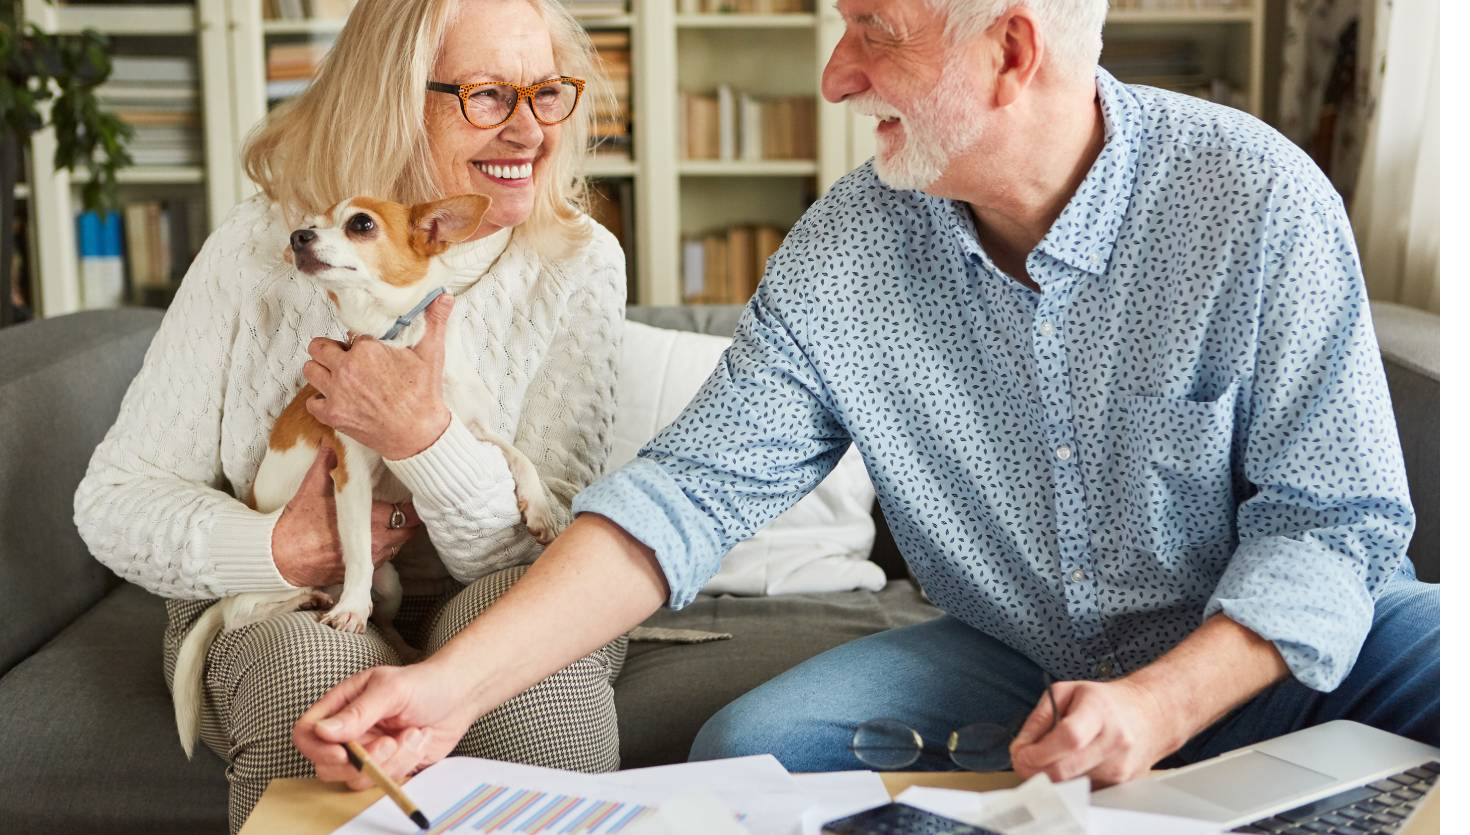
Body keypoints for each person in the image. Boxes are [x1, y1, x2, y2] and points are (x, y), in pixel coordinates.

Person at [294, 0, 1439, 792]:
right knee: (754, 748)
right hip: (1022, 656)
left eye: (873, 33)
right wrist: (443, 688)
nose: (837, 76)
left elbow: (1336, 526)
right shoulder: (851, 245)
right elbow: (685, 497)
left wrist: (1161, 705)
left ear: (1011, 50)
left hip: (1270, 651)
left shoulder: (1253, 198)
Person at [72, 0, 627, 829]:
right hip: (280, 593)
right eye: (486, 95)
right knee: (311, 677)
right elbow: (115, 499)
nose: (529, 132)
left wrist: (424, 440)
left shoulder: (578, 261)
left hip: (496, 582)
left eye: (546, 93)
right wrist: (277, 548)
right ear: (394, 98)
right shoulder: (263, 245)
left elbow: (557, 552)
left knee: (533, 681)